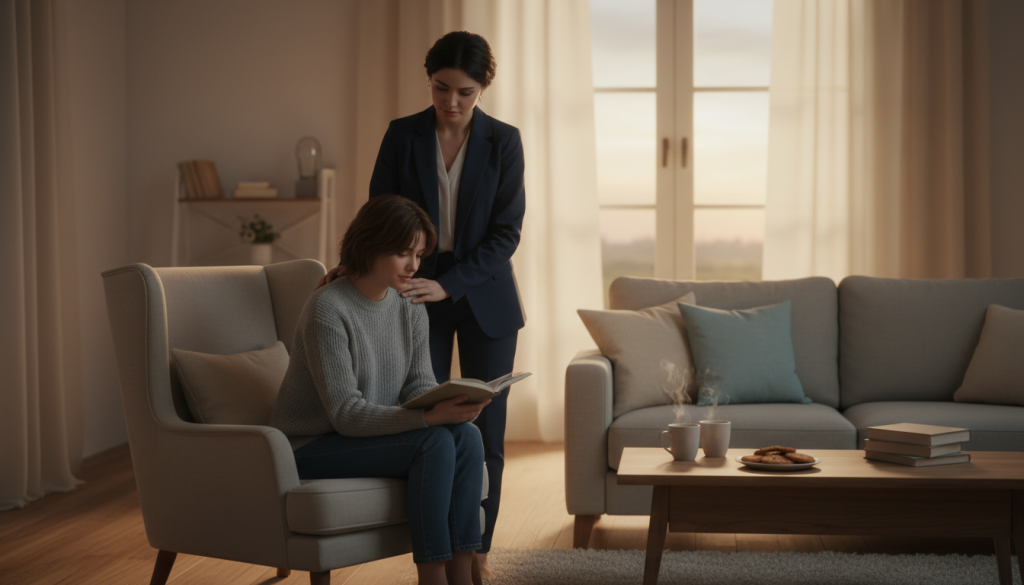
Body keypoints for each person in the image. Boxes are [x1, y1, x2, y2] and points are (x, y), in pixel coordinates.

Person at [319, 31, 525, 578]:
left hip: (483, 295)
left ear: (483, 88)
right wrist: (355, 264)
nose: (451, 102)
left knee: (486, 430)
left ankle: (476, 552)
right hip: (412, 290)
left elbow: (506, 233)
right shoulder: (402, 134)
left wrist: (449, 284)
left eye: (465, 92)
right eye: (440, 88)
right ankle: (433, 555)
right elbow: (380, 214)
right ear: (429, 80)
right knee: (423, 419)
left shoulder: (504, 141)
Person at [272, 195, 489, 585]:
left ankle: (462, 575)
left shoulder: (409, 303)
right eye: (403, 253)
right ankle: (432, 578)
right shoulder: (327, 309)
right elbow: (346, 415)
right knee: (434, 442)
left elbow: (418, 384)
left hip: (360, 437)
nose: (414, 266)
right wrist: (429, 418)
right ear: (370, 244)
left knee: (467, 436)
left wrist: (452, 403)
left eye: (419, 255)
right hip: (310, 446)